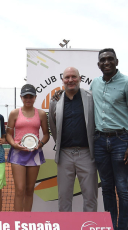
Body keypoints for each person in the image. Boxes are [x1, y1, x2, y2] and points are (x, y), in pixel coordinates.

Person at [91, 48, 128, 230]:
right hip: (99, 141)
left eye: (109, 59)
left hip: (121, 140)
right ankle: (111, 229)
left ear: (116, 61)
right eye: (102, 60)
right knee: (106, 188)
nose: (106, 62)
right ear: (98, 64)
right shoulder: (95, 83)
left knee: (122, 188)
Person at [49, 67, 98, 212]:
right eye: (67, 77)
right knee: (64, 197)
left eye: (74, 77)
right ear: (63, 80)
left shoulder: (91, 97)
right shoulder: (55, 100)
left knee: (90, 196)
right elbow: (53, 125)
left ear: (80, 78)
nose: (70, 80)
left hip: (86, 154)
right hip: (64, 154)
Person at [6, 84, 49, 212]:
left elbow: (46, 134)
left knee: (30, 189)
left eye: (31, 96)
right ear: (21, 97)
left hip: (34, 154)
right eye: (25, 97)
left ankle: (27, 220)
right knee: (20, 189)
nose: (28, 99)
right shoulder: (14, 113)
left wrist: (40, 144)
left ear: (35, 97)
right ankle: (18, 221)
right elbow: (8, 134)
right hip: (17, 154)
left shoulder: (41, 114)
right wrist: (14, 145)